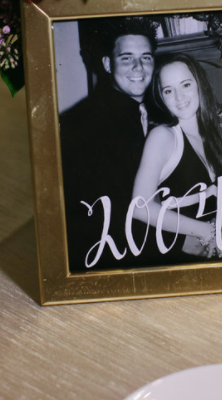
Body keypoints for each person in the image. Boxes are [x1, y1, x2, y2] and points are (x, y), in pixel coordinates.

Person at [59, 17, 159, 272]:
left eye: (146, 57)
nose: (139, 67)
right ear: (106, 63)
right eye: (126, 58)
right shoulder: (86, 121)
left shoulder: (150, 109)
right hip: (114, 257)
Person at [131, 53, 222, 262]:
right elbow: (140, 207)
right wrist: (206, 231)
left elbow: (221, 192)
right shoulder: (163, 136)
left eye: (186, 85)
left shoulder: (209, 134)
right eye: (169, 90)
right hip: (178, 252)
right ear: (161, 97)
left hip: (213, 248)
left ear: (200, 85)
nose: (179, 98)